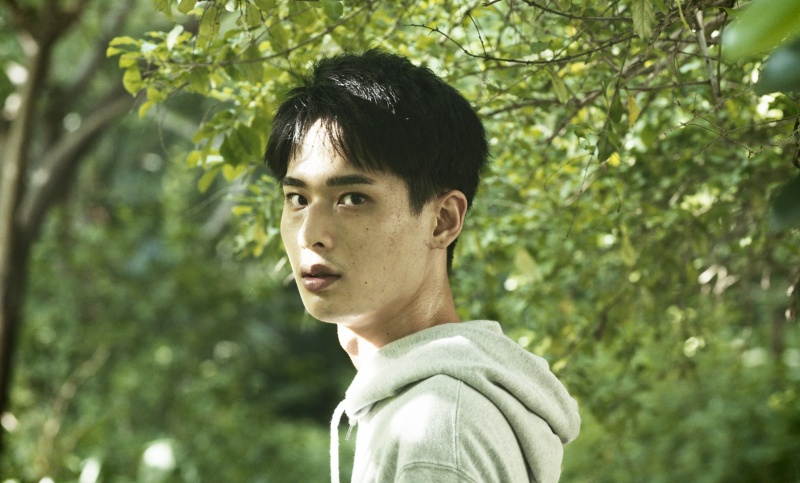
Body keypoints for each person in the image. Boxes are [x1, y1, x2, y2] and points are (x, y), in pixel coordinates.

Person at [264, 49, 580, 483]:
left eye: (353, 199)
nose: (310, 234)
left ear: (442, 220)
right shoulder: (422, 407)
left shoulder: (436, 431)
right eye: (297, 199)